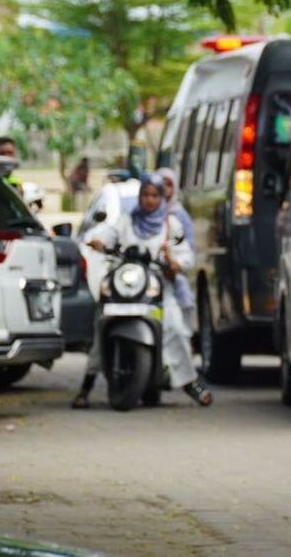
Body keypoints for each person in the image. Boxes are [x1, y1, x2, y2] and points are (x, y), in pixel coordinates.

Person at [71, 173, 212, 409]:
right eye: (145, 195)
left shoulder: (170, 225)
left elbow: (185, 254)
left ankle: (189, 382)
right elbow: (105, 234)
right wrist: (96, 241)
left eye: (154, 195)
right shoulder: (126, 220)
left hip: (157, 290)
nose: (149, 200)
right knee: (101, 323)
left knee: (175, 327)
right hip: (125, 286)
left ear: (162, 198)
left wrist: (174, 261)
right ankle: (86, 387)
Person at [157, 167, 197, 316]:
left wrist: (174, 261)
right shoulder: (139, 217)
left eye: (169, 185)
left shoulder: (176, 216)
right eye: (162, 184)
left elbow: (187, 246)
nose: (165, 189)